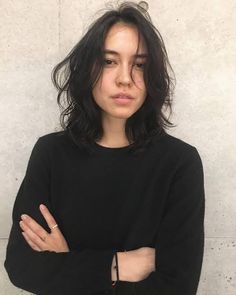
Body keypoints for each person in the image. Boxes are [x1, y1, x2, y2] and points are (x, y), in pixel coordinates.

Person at [4, 1, 205, 294]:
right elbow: (22, 267)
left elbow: (178, 286)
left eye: (139, 64)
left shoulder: (179, 163)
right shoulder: (50, 153)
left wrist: (67, 263)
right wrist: (117, 265)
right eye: (110, 61)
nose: (125, 78)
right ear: (88, 69)